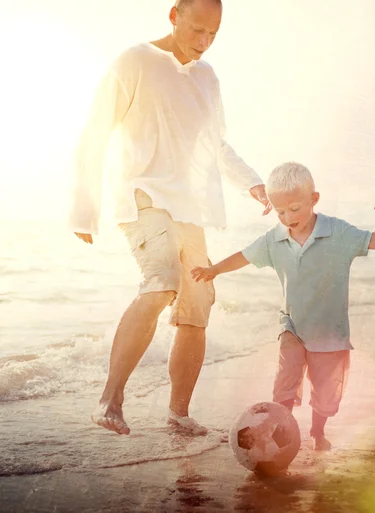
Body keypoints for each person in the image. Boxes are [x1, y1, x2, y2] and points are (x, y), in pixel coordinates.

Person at [69, 0, 270, 436]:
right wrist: (84, 208)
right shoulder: (135, 61)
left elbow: (217, 144)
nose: (204, 42)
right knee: (161, 281)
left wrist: (252, 183)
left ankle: (178, 414)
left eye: (213, 35)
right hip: (142, 195)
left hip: (190, 206)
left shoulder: (207, 77)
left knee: (198, 303)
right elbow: (95, 132)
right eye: (198, 29)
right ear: (174, 15)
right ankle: (110, 400)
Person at [191, 162, 375, 450]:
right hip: (293, 326)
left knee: (325, 391)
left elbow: (374, 242)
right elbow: (245, 256)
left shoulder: (337, 232)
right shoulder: (274, 239)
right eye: (280, 212)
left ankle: (317, 431)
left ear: (314, 199)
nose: (288, 217)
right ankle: (281, 432)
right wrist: (214, 270)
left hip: (329, 329)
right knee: (284, 382)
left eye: (295, 208)